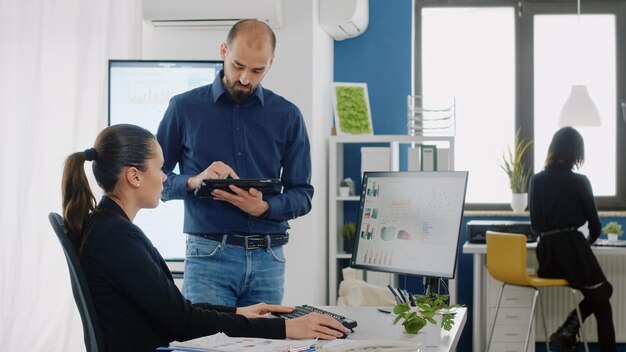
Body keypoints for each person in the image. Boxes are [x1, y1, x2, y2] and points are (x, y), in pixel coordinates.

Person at [60, 124, 346, 351]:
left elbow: (174, 310)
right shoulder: (116, 237)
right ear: (134, 176)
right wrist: (285, 329)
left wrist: (239, 312)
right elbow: (183, 322)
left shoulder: (109, 227)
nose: (164, 178)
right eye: (160, 168)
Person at [156, 19, 313, 306]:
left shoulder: (288, 115)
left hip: (270, 260)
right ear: (223, 51)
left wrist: (264, 207)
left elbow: (303, 194)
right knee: (206, 347)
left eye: (257, 70)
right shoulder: (183, 108)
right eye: (238, 65)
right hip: (208, 257)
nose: (244, 79)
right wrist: (193, 181)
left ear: (271, 62)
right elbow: (154, 179)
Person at [529, 126, 616, 352]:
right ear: (577, 152)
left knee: (604, 292)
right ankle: (567, 330)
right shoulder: (579, 181)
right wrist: (586, 243)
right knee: (604, 302)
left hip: (546, 257)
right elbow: (595, 227)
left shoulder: (536, 180)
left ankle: (568, 331)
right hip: (572, 252)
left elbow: (535, 226)